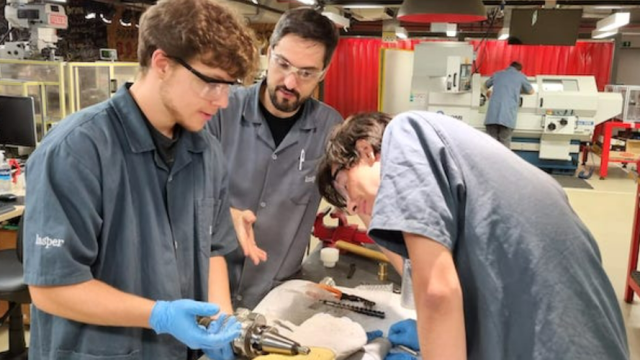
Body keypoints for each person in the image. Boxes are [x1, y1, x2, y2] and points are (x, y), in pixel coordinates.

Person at [23, 1, 258, 359]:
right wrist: (158, 315)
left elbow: (212, 250)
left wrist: (220, 322)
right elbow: (51, 288)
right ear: (162, 64)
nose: (223, 101)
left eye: (231, 86)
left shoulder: (206, 153)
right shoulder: (77, 150)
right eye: (212, 83)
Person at [317, 111, 629, 360]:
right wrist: (371, 215)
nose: (352, 205)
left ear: (366, 150)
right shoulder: (451, 183)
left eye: (344, 186)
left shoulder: (406, 132)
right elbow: (417, 274)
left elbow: (436, 292)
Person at [207, 7, 342, 309]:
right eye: (283, 65)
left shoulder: (329, 128)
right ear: (269, 53)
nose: (290, 83)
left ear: (324, 72)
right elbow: (181, 192)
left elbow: (356, 195)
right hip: (207, 289)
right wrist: (226, 214)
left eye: (306, 73)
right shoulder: (220, 111)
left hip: (277, 298)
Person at [484, 61, 535, 148]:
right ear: (519, 70)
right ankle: (504, 161)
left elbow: (485, 85)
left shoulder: (498, 74)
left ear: (509, 66)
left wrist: (488, 91)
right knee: (504, 143)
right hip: (507, 117)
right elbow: (531, 91)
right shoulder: (521, 76)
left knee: (491, 142)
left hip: (492, 116)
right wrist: (517, 91)